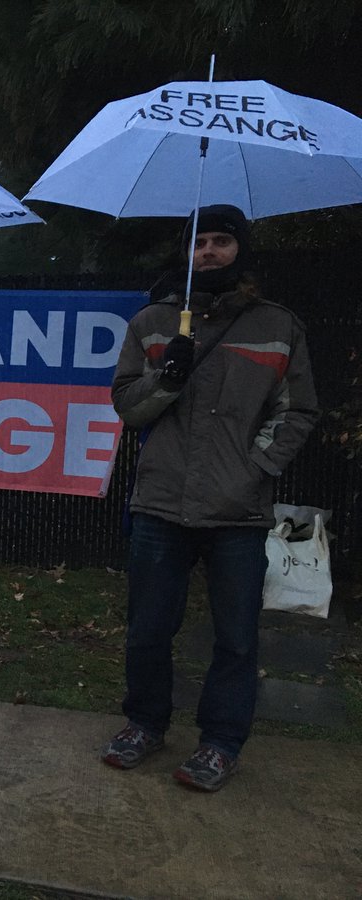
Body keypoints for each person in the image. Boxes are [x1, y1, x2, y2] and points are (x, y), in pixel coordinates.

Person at [101, 205, 319, 791]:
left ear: (240, 251)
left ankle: (221, 742)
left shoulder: (277, 323)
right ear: (186, 252)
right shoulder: (152, 321)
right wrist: (166, 377)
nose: (210, 252)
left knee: (236, 637)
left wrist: (255, 467)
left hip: (239, 511)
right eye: (200, 243)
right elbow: (126, 405)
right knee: (147, 628)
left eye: (222, 242)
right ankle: (144, 723)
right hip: (160, 504)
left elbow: (297, 411)